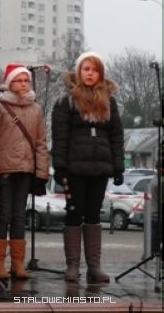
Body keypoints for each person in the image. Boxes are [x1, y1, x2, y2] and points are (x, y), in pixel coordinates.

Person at [51, 52, 124, 284]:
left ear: (100, 74)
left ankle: (94, 266)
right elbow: (60, 137)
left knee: (93, 214)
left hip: (100, 167)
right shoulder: (66, 101)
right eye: (86, 69)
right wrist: (59, 166)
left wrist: (118, 167)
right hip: (74, 168)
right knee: (74, 213)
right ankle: (73, 265)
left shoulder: (109, 101)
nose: (90, 74)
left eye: (94, 70)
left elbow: (116, 135)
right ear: (79, 72)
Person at [0, 63, 49, 280]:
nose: (23, 84)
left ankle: (18, 263)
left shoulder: (36, 109)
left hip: (26, 169)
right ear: (9, 83)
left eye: (26, 80)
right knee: (4, 215)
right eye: (18, 80)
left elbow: (41, 142)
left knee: (20, 216)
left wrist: (42, 173)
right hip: (4, 169)